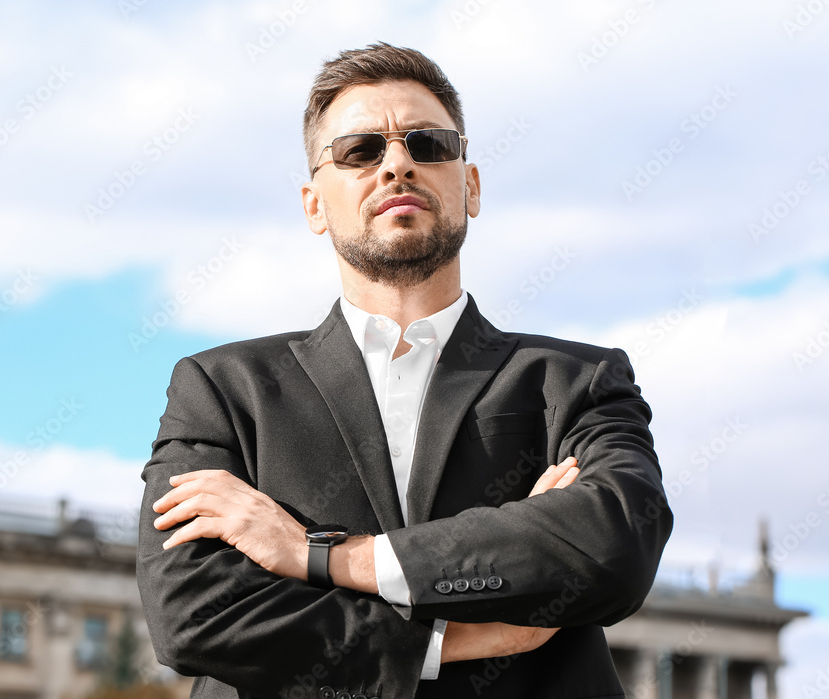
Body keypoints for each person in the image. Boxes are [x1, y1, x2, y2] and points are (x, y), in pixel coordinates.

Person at [137, 42, 672, 699]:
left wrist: (320, 555)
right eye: (361, 150)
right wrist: (462, 637)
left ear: (469, 185)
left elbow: (615, 542)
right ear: (314, 205)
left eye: (429, 144)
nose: (398, 164)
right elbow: (193, 614)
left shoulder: (576, 380)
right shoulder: (222, 389)